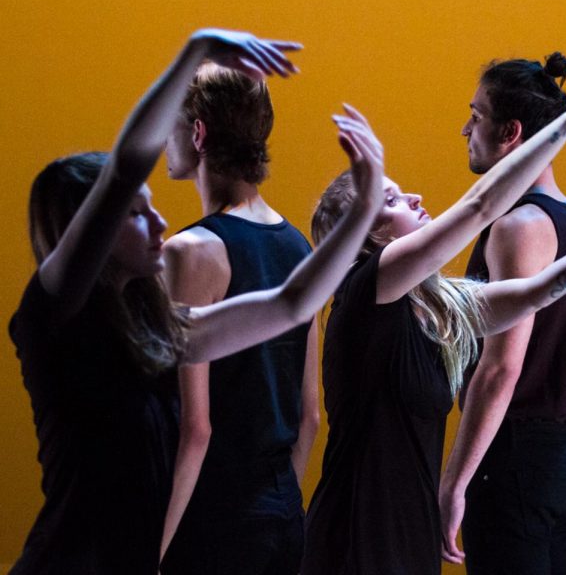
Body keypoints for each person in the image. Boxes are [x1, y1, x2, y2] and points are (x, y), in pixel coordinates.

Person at [8, 28, 385, 575]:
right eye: (136, 212)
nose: (160, 220)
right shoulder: (54, 317)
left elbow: (293, 303)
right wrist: (195, 52)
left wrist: (367, 201)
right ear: (89, 230)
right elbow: (124, 168)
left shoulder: (160, 332)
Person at [302, 105, 566, 575]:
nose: (413, 197)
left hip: (410, 526)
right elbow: (479, 207)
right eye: (389, 201)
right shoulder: (365, 287)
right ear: (365, 238)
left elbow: (532, 294)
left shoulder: (430, 307)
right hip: (358, 528)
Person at [438, 52, 566, 574]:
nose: (465, 128)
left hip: (517, 460)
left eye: (476, 115)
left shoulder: (520, 226)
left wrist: (455, 482)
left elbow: (502, 367)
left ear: (510, 131)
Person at [158, 62, 317, 574]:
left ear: (198, 132)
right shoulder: (300, 247)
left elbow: (195, 427)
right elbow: (310, 415)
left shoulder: (191, 252)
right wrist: (276, 507)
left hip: (211, 520)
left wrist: (153, 549)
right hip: (281, 512)